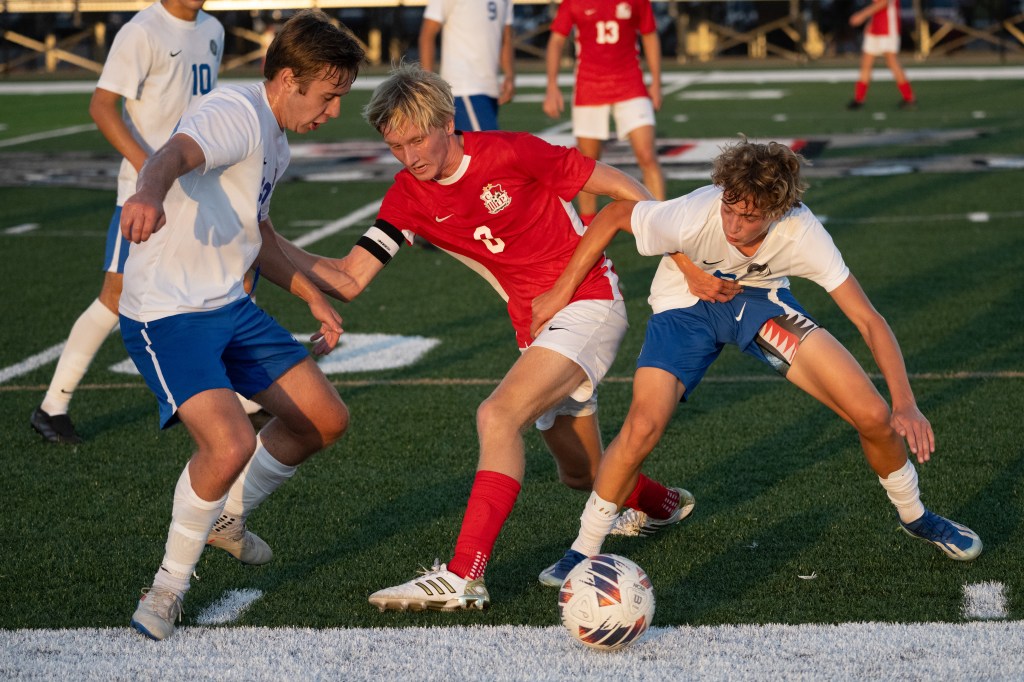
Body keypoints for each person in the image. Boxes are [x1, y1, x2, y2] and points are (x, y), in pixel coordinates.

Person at [279, 63, 692, 612]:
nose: (410, 157)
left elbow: (623, 190)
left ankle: (463, 574)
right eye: (396, 146)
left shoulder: (512, 151)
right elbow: (350, 277)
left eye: (418, 139)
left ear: (448, 122)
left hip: (589, 301)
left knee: (497, 415)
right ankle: (663, 503)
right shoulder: (408, 195)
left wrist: (681, 258)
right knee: (583, 474)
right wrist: (264, 242)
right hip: (535, 328)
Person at [532, 138, 981, 586]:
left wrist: (905, 401)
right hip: (683, 309)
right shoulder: (697, 211)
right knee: (643, 426)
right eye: (729, 208)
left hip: (758, 303)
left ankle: (915, 516)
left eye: (749, 217)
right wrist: (561, 291)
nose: (733, 223)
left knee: (875, 416)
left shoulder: (802, 231)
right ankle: (583, 548)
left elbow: (867, 318)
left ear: (778, 210)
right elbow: (612, 215)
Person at [118, 9, 365, 640]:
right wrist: (147, 192)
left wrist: (309, 290)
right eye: (329, 96)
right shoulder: (235, 113)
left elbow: (261, 233)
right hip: (169, 311)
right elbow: (171, 153)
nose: (333, 112)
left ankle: (230, 516)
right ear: (287, 79)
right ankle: (167, 588)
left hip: (228, 305)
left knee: (324, 419)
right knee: (227, 444)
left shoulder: (274, 137)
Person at [30, 0, 227, 444]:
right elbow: (102, 106)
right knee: (115, 297)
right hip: (144, 194)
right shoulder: (142, 31)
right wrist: (149, 170)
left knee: (217, 284)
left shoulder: (213, 28)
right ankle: (52, 406)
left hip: (194, 187)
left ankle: (243, 397)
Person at [542, 0, 665, 226]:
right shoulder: (574, 3)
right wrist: (552, 86)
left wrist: (656, 81)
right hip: (590, 87)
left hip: (630, 84)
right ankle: (588, 227)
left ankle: (662, 221)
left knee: (647, 155)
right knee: (587, 164)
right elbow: (557, 40)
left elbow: (649, 34)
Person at [418, 0, 515, 132]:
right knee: (489, 148)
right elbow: (428, 34)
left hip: (490, 88)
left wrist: (509, 75)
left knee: (469, 149)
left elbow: (506, 37)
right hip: (463, 88)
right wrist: (427, 82)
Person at [847, 0, 916, 110]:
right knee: (866, 62)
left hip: (888, 26)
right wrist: (870, 22)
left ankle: (909, 98)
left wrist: (862, 15)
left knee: (892, 61)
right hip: (875, 26)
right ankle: (859, 99)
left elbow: (883, 2)